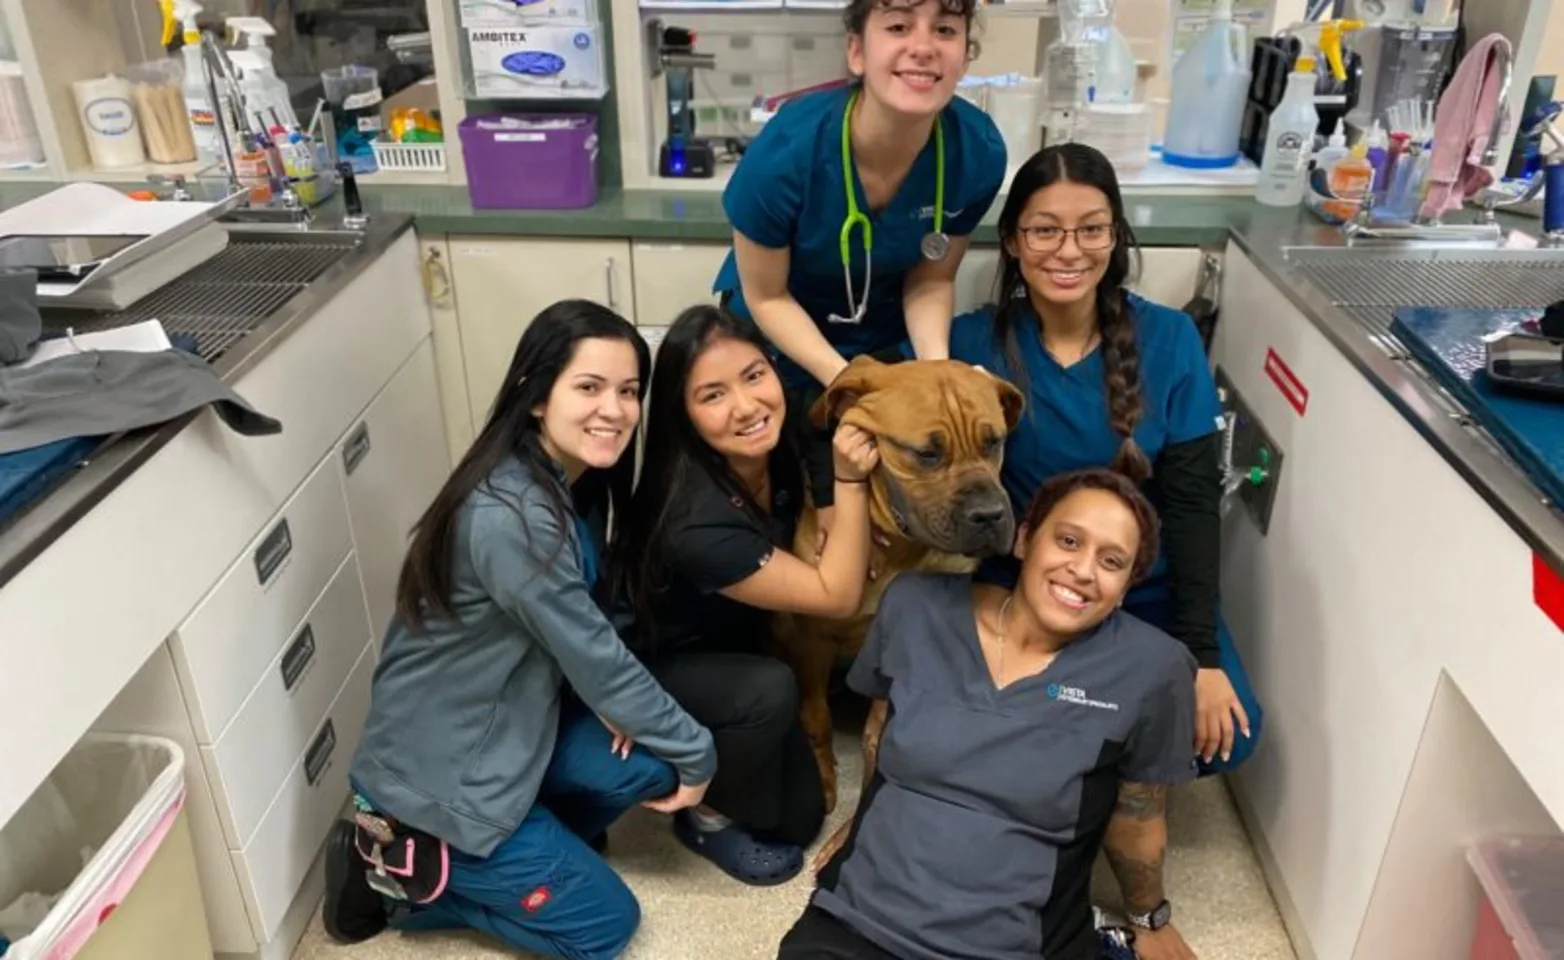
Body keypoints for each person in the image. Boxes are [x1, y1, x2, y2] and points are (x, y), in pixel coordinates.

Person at [320, 300, 718, 960]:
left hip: (498, 728)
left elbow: (585, 633)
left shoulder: (554, 481)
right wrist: (699, 751)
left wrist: (631, 712)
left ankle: (514, 851)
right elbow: (595, 657)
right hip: (441, 779)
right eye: (588, 388)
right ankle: (400, 880)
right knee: (605, 925)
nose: (614, 410)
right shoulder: (514, 515)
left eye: (628, 391)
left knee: (639, 767)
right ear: (537, 395)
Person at [779, 468, 1201, 960]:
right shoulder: (915, 606)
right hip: (858, 926)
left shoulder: (1152, 667)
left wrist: (1149, 918)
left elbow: (1139, 812)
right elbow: (882, 731)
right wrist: (866, 823)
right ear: (1024, 539)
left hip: (1013, 946)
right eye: (1067, 540)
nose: (1083, 570)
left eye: (1112, 561)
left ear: (1127, 587)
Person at [939, 142, 1262, 773]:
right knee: (991, 713)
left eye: (1092, 229)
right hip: (1020, 583)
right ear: (1011, 241)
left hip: (1140, 586)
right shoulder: (967, 342)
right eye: (1044, 230)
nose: (1069, 250)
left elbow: (1194, 505)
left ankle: (1077, 742)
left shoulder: (1168, 339)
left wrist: (1203, 655)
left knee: (1226, 734)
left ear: (1115, 236)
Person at [712, 0, 1008, 536]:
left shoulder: (977, 152)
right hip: (774, 338)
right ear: (856, 50)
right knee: (789, 514)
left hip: (881, 340)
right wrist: (856, 387)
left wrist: (931, 381)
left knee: (886, 518)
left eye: (945, 29)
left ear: (965, 55)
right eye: (898, 26)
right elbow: (768, 296)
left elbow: (931, 277)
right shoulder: (786, 153)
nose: (923, 45)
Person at [609, 304, 879, 887]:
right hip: (656, 662)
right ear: (682, 414)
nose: (748, 406)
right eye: (713, 395)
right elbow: (836, 596)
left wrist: (829, 501)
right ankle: (704, 818)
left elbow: (813, 431)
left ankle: (725, 747)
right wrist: (852, 483)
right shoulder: (692, 516)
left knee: (800, 819)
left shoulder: (768, 442)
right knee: (768, 690)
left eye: (755, 376)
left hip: (739, 641)